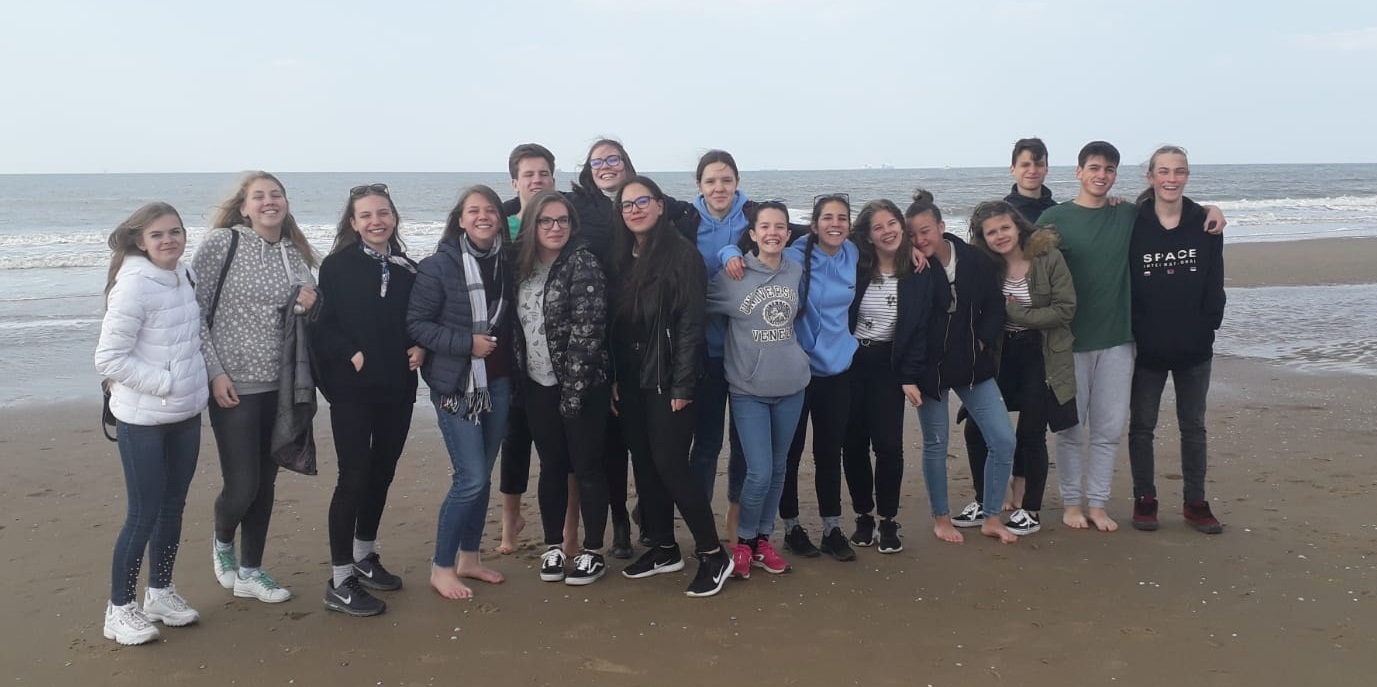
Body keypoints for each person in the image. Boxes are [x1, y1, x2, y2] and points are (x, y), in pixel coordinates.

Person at [1039, 141, 1226, 532]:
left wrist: (1213, 209)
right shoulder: (1064, 217)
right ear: (1078, 171)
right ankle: (1077, 504)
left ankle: (1101, 504)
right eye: (1094, 168)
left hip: (1122, 341)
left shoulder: (1129, 214)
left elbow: (1177, 217)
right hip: (1073, 342)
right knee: (1074, 429)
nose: (1101, 175)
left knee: (1111, 430)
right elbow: (1029, 265)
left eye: (1108, 169)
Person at [195, 171, 318, 604]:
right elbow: (195, 312)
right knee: (242, 484)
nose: (270, 201)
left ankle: (250, 571)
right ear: (244, 207)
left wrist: (309, 303)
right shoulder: (222, 243)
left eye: (276, 194)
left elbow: (307, 312)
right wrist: (215, 373)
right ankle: (222, 540)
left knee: (266, 483)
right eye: (259, 196)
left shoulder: (294, 253)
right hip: (234, 384)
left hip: (281, 386)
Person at [608, 175, 732, 598]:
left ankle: (713, 553)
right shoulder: (622, 254)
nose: (635, 210)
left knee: (671, 465)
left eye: (643, 201)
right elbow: (618, 325)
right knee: (644, 464)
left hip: (669, 378)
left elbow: (691, 324)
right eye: (627, 205)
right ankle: (663, 547)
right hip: (631, 378)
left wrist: (682, 385)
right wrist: (614, 376)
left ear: (660, 205)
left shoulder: (681, 255)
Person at [95, 203, 208, 645]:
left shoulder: (185, 275)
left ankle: (160, 593)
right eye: (157, 234)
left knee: (172, 507)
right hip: (142, 419)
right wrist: (166, 383)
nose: (168, 240)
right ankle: (120, 609)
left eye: (175, 231)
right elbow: (109, 359)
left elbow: (194, 337)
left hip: (185, 415)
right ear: (140, 242)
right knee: (142, 514)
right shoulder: (133, 285)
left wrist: (198, 384)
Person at [311, 183, 423, 616]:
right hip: (352, 390)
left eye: (383, 213)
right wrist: (351, 353)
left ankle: (364, 555)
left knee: (383, 471)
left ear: (394, 217)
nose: (376, 221)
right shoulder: (337, 266)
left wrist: (421, 345)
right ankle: (340, 581)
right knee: (354, 476)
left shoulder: (407, 268)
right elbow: (322, 326)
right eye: (366, 215)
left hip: (398, 387)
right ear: (354, 223)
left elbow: (418, 319)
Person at [407, 185, 516, 600]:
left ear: (500, 219)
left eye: (490, 210)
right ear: (460, 219)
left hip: (498, 384)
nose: (483, 216)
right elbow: (417, 324)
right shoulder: (438, 266)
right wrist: (466, 344)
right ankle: (442, 567)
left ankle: (470, 558)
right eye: (474, 210)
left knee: (483, 477)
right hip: (455, 384)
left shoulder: (508, 262)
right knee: (469, 478)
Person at [905, 189, 1019, 544]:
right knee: (936, 444)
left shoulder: (973, 259)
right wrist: (908, 373)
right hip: (929, 371)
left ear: (941, 227)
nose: (920, 239)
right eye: (912, 234)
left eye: (925, 231)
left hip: (972, 365)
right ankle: (941, 518)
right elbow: (906, 323)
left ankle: (991, 517)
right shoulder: (911, 267)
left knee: (1003, 440)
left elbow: (995, 307)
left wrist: (980, 342)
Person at [512, 190, 615, 585]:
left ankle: (593, 551)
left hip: (583, 386)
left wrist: (572, 396)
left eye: (562, 221)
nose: (555, 228)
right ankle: (553, 547)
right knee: (552, 466)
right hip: (537, 384)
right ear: (533, 224)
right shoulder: (521, 265)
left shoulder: (583, 262)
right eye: (546, 220)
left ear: (572, 225)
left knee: (587, 467)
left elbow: (589, 331)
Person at [494, 143, 592, 558]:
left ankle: (569, 532)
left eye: (543, 174)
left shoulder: (565, 221)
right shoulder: (501, 224)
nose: (537, 180)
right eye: (528, 174)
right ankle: (510, 521)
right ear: (514, 182)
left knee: (561, 453)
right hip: (512, 356)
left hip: (559, 365)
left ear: (553, 178)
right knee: (514, 441)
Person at [961, 201, 1078, 537]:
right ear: (982, 238)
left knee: (1031, 433)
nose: (1000, 236)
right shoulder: (986, 265)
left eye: (1005, 228)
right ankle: (984, 501)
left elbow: (1065, 309)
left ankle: (1030, 509)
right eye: (991, 232)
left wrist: (1018, 314)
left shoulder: (1047, 257)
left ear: (1018, 226)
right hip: (1000, 354)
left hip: (1040, 353)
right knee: (976, 429)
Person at [706, 201, 809, 579]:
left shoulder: (795, 269)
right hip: (748, 388)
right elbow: (694, 305)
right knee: (759, 471)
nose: (772, 233)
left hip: (792, 385)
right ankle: (744, 541)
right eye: (765, 226)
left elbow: (830, 239)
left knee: (779, 469)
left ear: (788, 233)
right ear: (752, 234)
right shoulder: (733, 275)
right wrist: (727, 252)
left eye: (780, 226)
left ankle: (764, 540)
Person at [1127, 145, 1226, 534]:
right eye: (1164, 171)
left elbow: (1214, 281)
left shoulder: (1205, 223)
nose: (1171, 179)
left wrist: (1209, 325)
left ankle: (1195, 502)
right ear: (1150, 177)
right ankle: (1145, 499)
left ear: (1187, 176)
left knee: (1193, 427)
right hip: (1146, 346)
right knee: (1142, 427)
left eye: (1179, 171)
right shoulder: (1132, 222)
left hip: (1194, 347)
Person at [777, 194, 860, 561]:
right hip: (797, 370)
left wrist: (923, 251)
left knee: (829, 451)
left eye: (842, 218)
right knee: (790, 453)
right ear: (813, 225)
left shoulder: (853, 253)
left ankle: (831, 528)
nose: (835, 224)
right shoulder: (793, 257)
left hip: (838, 370)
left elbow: (893, 243)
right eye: (827, 218)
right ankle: (791, 527)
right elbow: (758, 248)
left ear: (850, 226)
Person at [841, 199, 917, 553]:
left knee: (888, 445)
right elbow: (814, 237)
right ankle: (863, 516)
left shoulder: (917, 271)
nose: (887, 231)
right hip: (852, 360)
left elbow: (920, 328)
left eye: (892, 223)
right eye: (878, 227)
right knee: (853, 443)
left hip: (889, 364)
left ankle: (888, 519)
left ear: (902, 226)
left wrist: (909, 374)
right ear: (868, 236)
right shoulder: (855, 266)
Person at [1005, 137, 1058, 223]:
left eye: (1039, 164)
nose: (1032, 171)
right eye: (1025, 165)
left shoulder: (1058, 212)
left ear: (1046, 169)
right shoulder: (1003, 213)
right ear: (1013, 169)